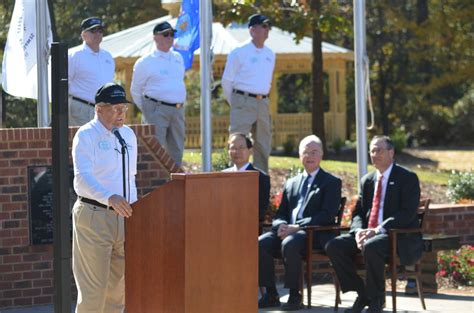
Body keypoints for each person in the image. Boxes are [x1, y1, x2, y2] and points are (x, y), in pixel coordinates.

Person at [325, 135, 422, 313]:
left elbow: (407, 213)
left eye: (379, 150)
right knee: (334, 246)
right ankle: (362, 293)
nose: (375, 154)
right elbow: (358, 212)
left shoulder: (407, 178)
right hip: (368, 233)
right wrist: (358, 231)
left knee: (372, 246)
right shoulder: (367, 180)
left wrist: (377, 230)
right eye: (372, 151)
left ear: (391, 152)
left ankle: (377, 301)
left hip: (395, 236)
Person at [71, 83, 137, 313]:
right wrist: (109, 197)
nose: (121, 114)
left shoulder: (128, 135)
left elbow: (130, 178)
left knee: (118, 293)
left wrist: (134, 207)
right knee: (94, 293)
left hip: (124, 219)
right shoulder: (86, 135)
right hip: (94, 217)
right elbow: (82, 178)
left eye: (124, 109)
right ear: (99, 108)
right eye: (116, 108)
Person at [258, 135, 341, 310]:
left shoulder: (331, 182)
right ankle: (271, 294)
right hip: (289, 231)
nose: (310, 156)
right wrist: (280, 225)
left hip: (315, 234)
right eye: (306, 152)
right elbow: (281, 213)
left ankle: (295, 296)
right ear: (299, 155)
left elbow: (327, 214)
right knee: (261, 243)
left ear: (322, 155)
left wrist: (298, 227)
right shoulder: (291, 183)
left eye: (314, 152)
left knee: (290, 242)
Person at [221, 14, 276, 174]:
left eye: (268, 27)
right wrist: (237, 103)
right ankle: (233, 182)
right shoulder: (239, 51)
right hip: (242, 100)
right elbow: (227, 81)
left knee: (263, 146)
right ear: (252, 30)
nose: (267, 30)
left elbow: (268, 81)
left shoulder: (270, 54)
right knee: (236, 145)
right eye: (263, 26)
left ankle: (261, 185)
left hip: (263, 102)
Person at [131, 21, 186, 166]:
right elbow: (135, 90)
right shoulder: (145, 62)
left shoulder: (178, 58)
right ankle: (155, 185)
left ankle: (175, 183)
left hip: (178, 110)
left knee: (177, 149)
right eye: (166, 34)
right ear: (156, 38)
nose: (170, 38)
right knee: (155, 150)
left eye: (172, 34)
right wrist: (148, 109)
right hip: (156, 108)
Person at [68, 17, 115, 126]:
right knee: (84, 141)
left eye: (100, 30)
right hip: (81, 108)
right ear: (83, 34)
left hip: (104, 110)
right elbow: (63, 84)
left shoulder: (107, 56)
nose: (97, 33)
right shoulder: (74, 56)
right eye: (93, 31)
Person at [223, 132, 270, 222]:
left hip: (247, 226)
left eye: (241, 147)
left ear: (250, 150)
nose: (237, 152)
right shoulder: (222, 176)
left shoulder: (260, 178)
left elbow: (260, 211)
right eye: (233, 148)